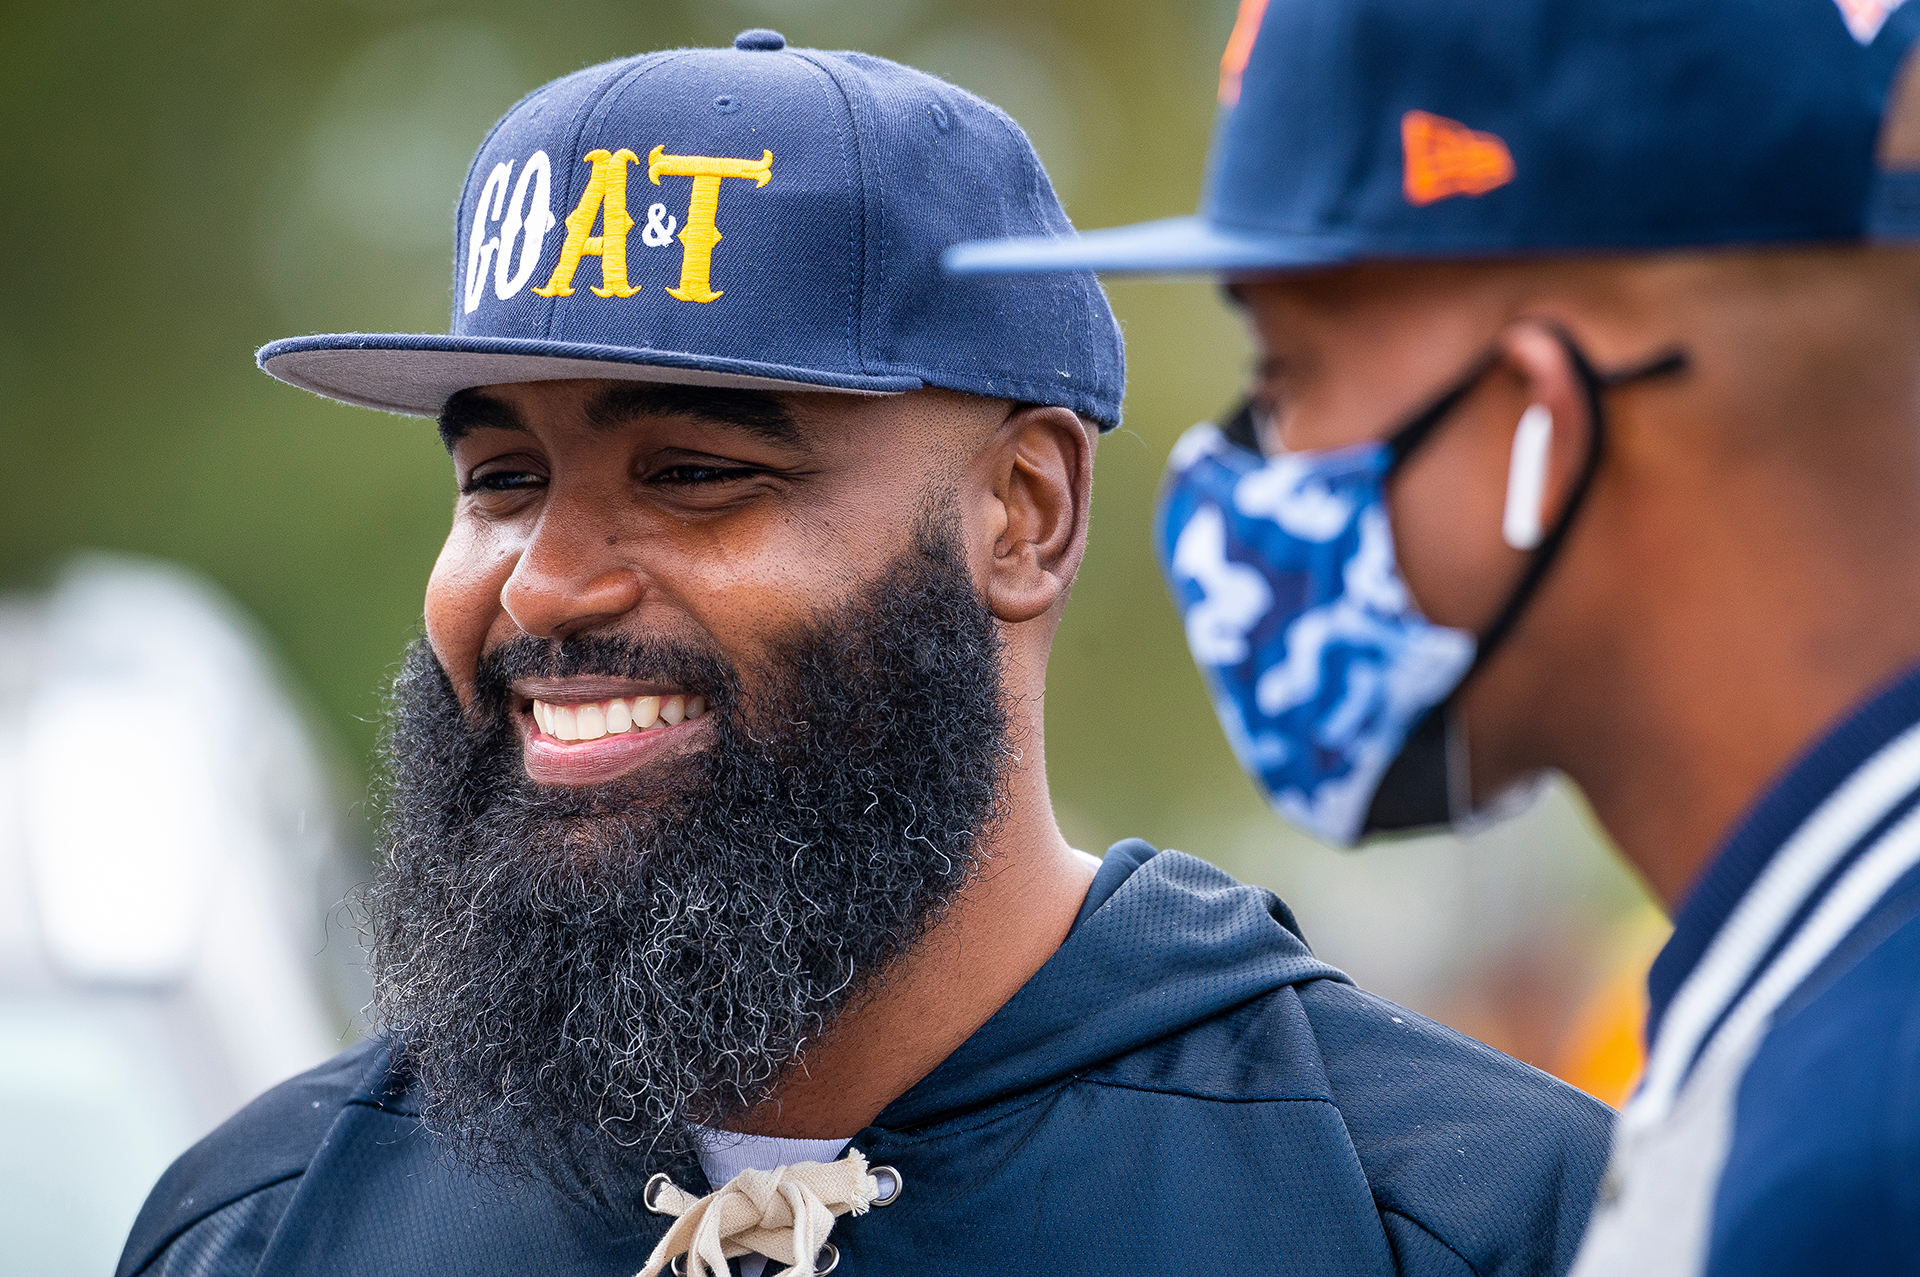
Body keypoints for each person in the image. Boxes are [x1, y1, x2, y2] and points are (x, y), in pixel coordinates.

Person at [118, 30, 1609, 1277]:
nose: (549, 584)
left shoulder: (1464, 1219)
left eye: (696, 471)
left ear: (1023, 514)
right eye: (502, 479)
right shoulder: (262, 1227)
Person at [950, 0, 1920, 1274]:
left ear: (1542, 424)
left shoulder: (1859, 1153)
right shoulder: (1802, 1024)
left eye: (1288, 374)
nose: (1240, 474)